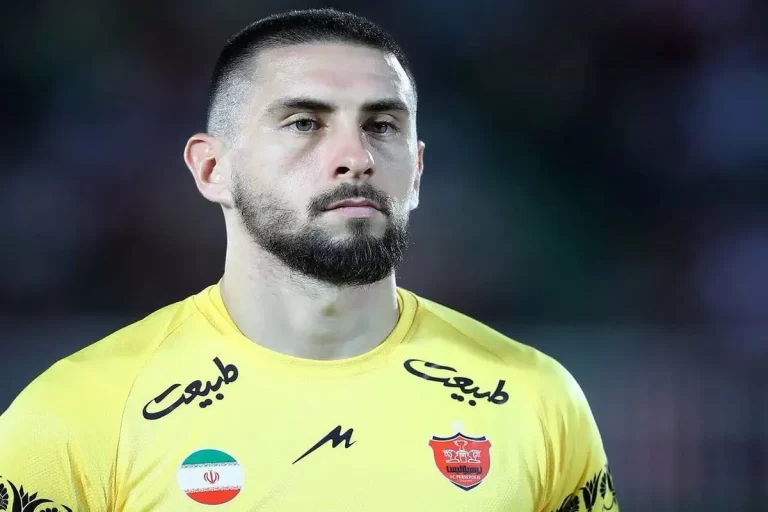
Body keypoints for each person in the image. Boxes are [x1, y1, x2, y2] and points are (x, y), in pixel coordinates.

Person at [0, 8, 618, 512]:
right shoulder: (75, 414)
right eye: (304, 123)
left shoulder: (537, 401)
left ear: (418, 170)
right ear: (212, 169)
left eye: (382, 125)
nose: (356, 157)